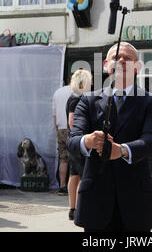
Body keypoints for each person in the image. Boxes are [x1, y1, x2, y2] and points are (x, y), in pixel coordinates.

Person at [67, 42, 152, 232]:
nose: (121, 61)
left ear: (138, 67)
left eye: (127, 58)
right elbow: (73, 140)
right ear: (105, 64)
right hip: (96, 199)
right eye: (116, 57)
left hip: (135, 200)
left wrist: (122, 150)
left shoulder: (151, 101)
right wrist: (88, 141)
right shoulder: (88, 100)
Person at [65, 69, 93, 221]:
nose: (92, 83)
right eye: (90, 80)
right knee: (82, 175)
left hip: (74, 140)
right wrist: (83, 136)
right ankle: (79, 208)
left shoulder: (73, 97)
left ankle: (73, 208)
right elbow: (71, 120)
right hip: (79, 141)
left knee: (74, 174)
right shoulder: (77, 98)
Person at [52, 82, 72, 195]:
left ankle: (62, 186)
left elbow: (54, 115)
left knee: (63, 159)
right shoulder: (76, 92)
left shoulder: (57, 92)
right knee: (75, 159)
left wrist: (58, 128)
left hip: (60, 129)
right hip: (71, 129)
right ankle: (74, 187)